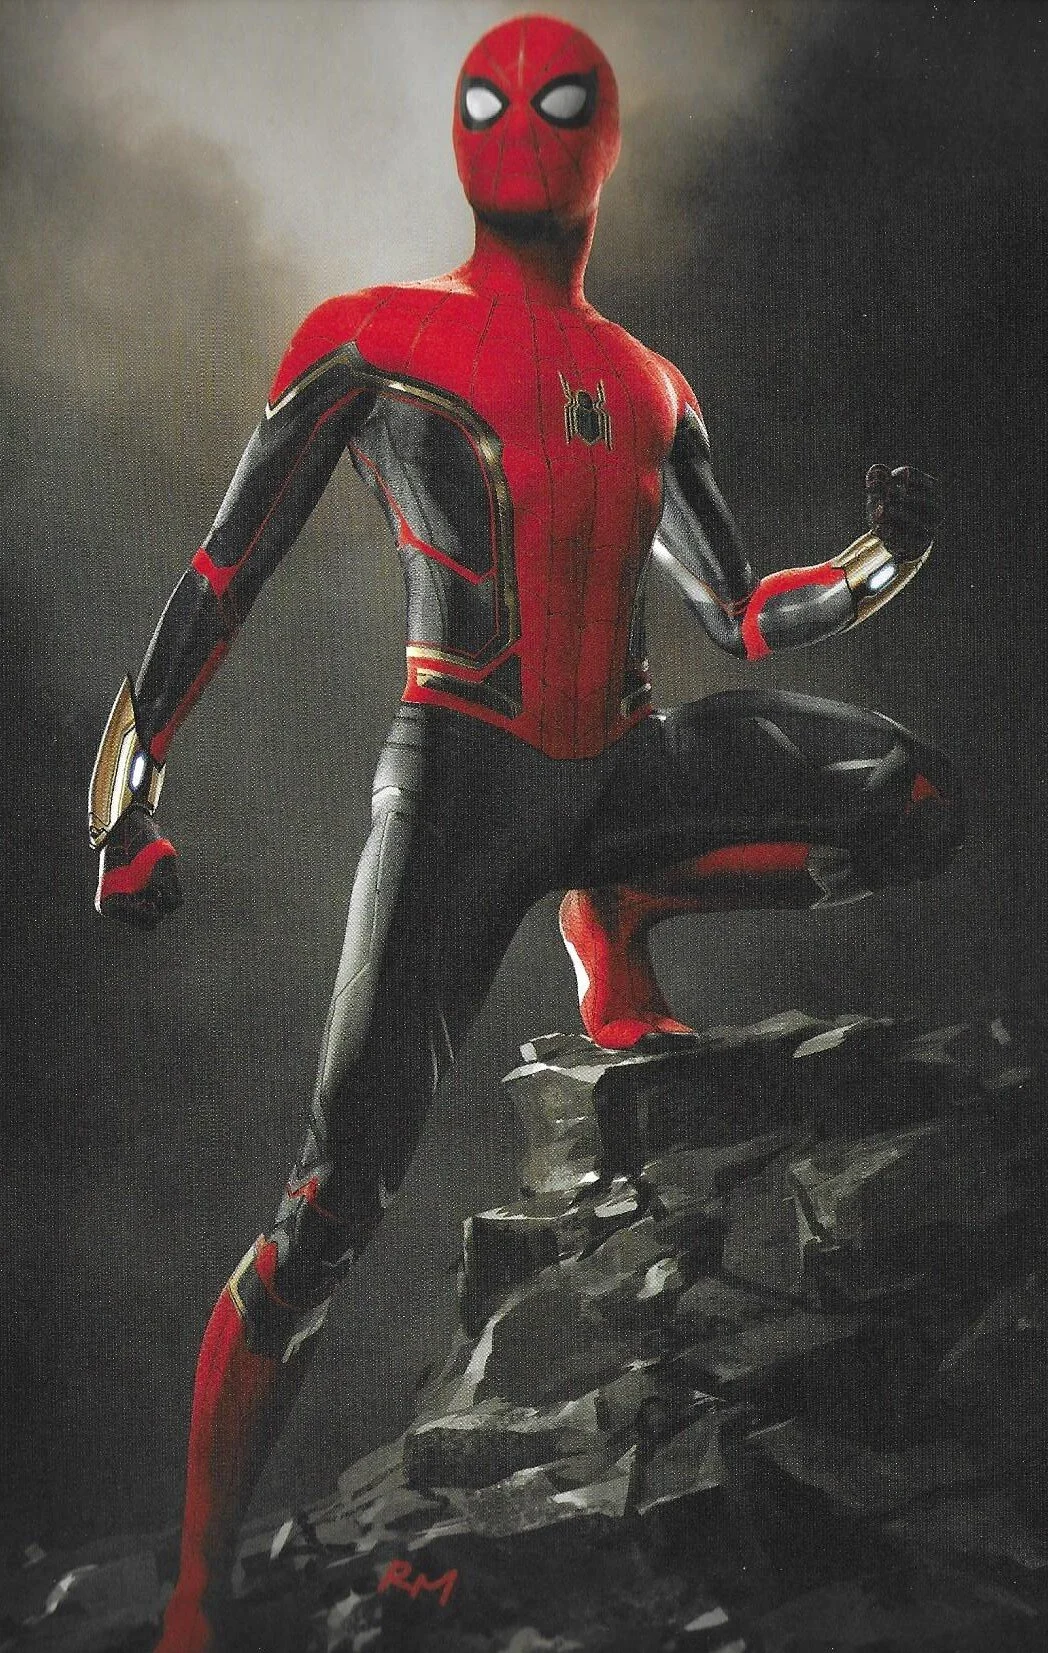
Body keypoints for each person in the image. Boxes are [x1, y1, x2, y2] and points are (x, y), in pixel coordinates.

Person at [88, 15, 960, 1648]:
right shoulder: (373, 337)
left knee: (912, 802)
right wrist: (124, 799)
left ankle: (618, 913)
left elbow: (736, 614)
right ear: (458, 129)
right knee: (330, 1210)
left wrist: (873, 563)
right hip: (463, 782)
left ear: (603, 137)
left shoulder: (650, 385)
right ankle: (202, 1586)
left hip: (619, 768)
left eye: (560, 103)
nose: (525, 131)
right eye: (493, 100)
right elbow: (225, 567)